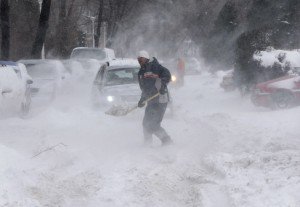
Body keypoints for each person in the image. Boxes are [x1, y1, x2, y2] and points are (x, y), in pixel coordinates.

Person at [137, 50, 173, 146]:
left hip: (161, 99)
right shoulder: (141, 73)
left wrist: (162, 85)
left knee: (153, 124)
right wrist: (142, 99)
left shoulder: (155, 66)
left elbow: (167, 75)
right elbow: (145, 88)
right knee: (145, 123)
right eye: (138, 60)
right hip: (151, 101)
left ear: (146, 58)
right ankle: (148, 144)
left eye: (141, 59)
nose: (139, 61)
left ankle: (167, 141)